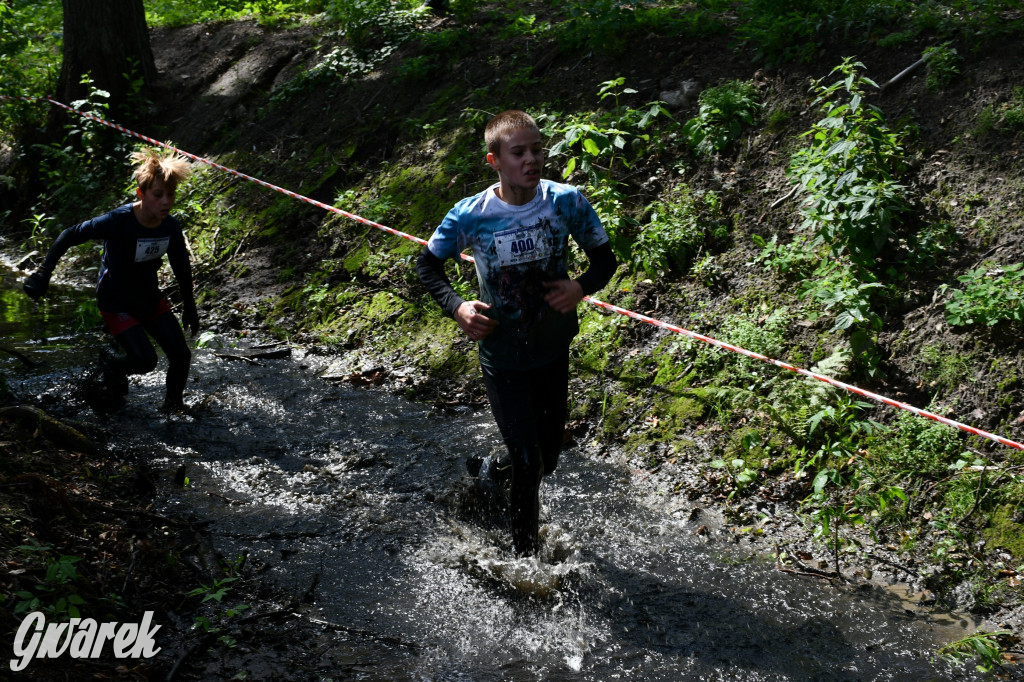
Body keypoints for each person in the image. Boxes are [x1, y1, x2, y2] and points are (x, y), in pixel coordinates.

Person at [417, 110, 616, 556]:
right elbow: (426, 265)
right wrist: (458, 307)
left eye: (537, 150)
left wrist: (580, 286)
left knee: (546, 458)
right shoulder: (471, 214)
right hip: (503, 356)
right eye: (519, 152)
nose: (532, 159)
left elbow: (606, 260)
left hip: (552, 349)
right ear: (495, 161)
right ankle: (526, 563)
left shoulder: (567, 202)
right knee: (529, 463)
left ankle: (491, 469)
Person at [22, 149, 198, 413]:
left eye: (170, 195)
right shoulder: (118, 221)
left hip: (148, 298)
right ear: (141, 194)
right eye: (158, 194)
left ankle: (173, 409)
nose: (166, 202)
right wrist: (43, 274)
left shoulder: (169, 227)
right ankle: (112, 364)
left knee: (181, 356)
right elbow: (69, 235)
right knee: (145, 360)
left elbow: (181, 267)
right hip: (116, 301)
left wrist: (190, 306)